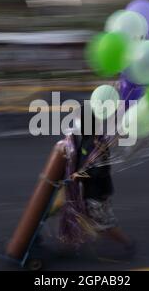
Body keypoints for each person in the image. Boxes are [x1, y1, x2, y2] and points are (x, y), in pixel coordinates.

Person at [60, 107, 135, 255]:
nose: (76, 123)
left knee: (104, 224)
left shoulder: (96, 145)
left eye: (79, 120)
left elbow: (98, 171)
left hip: (97, 192)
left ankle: (128, 244)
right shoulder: (86, 138)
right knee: (86, 217)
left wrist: (79, 176)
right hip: (92, 190)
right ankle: (73, 241)